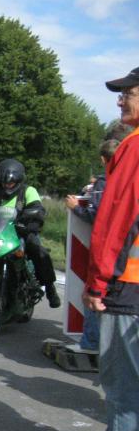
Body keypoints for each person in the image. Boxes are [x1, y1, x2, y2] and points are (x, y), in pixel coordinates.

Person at [67, 66, 139, 431]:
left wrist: (97, 282)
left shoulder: (133, 148)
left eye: (128, 93)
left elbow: (118, 220)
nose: (120, 100)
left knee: (125, 388)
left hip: (127, 286)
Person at [0, 158, 61, 308]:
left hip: (22, 231)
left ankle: (50, 288)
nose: (7, 185)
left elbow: (37, 208)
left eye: (10, 183)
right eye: (4, 182)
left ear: (18, 181)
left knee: (39, 252)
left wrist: (34, 216)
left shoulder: (28, 191)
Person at [63, 139, 119, 354]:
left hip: (105, 248)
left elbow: (95, 215)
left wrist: (75, 207)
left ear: (103, 159)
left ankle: (91, 342)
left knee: (94, 292)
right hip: (126, 251)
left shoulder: (104, 182)